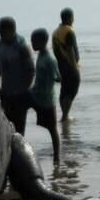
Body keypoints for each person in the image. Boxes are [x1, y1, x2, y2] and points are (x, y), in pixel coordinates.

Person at [0, 16, 34, 134]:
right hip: (6, 93)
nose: (0, 35)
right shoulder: (0, 44)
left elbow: (31, 71)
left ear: (11, 30)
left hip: (20, 96)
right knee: (7, 128)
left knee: (19, 130)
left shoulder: (21, 47)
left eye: (2, 32)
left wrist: (23, 89)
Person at [30, 27, 61, 160]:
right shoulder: (40, 56)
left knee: (53, 129)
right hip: (36, 95)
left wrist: (51, 78)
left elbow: (58, 77)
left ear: (43, 41)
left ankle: (57, 156)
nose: (32, 44)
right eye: (31, 41)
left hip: (48, 99)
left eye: (34, 41)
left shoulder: (49, 59)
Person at [52, 9, 82, 121]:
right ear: (70, 18)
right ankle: (65, 115)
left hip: (61, 66)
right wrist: (74, 67)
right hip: (70, 66)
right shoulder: (69, 31)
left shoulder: (55, 32)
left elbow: (55, 50)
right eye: (73, 17)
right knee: (72, 89)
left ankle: (64, 115)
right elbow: (70, 50)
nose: (73, 20)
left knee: (64, 90)